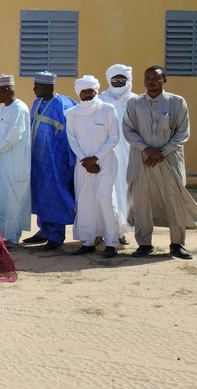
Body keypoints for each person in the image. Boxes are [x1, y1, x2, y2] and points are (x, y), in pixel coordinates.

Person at [123, 66, 197, 259]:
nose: (150, 81)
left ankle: (177, 244)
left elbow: (182, 133)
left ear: (164, 80)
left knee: (174, 201)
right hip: (142, 161)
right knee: (142, 201)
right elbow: (128, 130)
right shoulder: (134, 103)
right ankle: (144, 244)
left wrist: (163, 152)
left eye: (155, 78)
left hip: (170, 161)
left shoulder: (176, 102)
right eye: (147, 78)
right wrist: (146, 150)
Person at [65, 76, 123, 258]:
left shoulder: (107, 109)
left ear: (96, 91)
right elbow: (72, 140)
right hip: (84, 164)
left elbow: (114, 137)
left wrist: (96, 158)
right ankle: (87, 241)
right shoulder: (72, 113)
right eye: (84, 91)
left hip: (105, 161)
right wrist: (85, 160)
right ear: (78, 93)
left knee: (104, 198)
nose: (88, 95)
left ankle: (112, 242)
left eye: (91, 91)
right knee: (85, 200)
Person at [24, 71, 76, 251]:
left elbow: (67, 134)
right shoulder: (37, 102)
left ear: (47, 87)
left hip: (55, 160)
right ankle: (44, 230)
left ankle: (56, 235)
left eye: (37, 86)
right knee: (40, 193)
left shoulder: (62, 104)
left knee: (55, 194)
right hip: (37, 159)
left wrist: (62, 159)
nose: (34, 89)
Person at [0, 75, 32, 246]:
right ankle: (0, 235)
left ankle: (12, 238)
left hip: (13, 165)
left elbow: (14, 136)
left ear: (6, 90)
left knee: (12, 200)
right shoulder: (2, 109)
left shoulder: (20, 109)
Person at [98, 63, 138, 244]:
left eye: (122, 80)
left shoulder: (136, 101)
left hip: (128, 153)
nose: (119, 83)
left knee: (123, 190)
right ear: (109, 81)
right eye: (115, 80)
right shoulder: (100, 100)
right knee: (103, 191)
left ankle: (120, 231)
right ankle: (100, 230)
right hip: (103, 153)